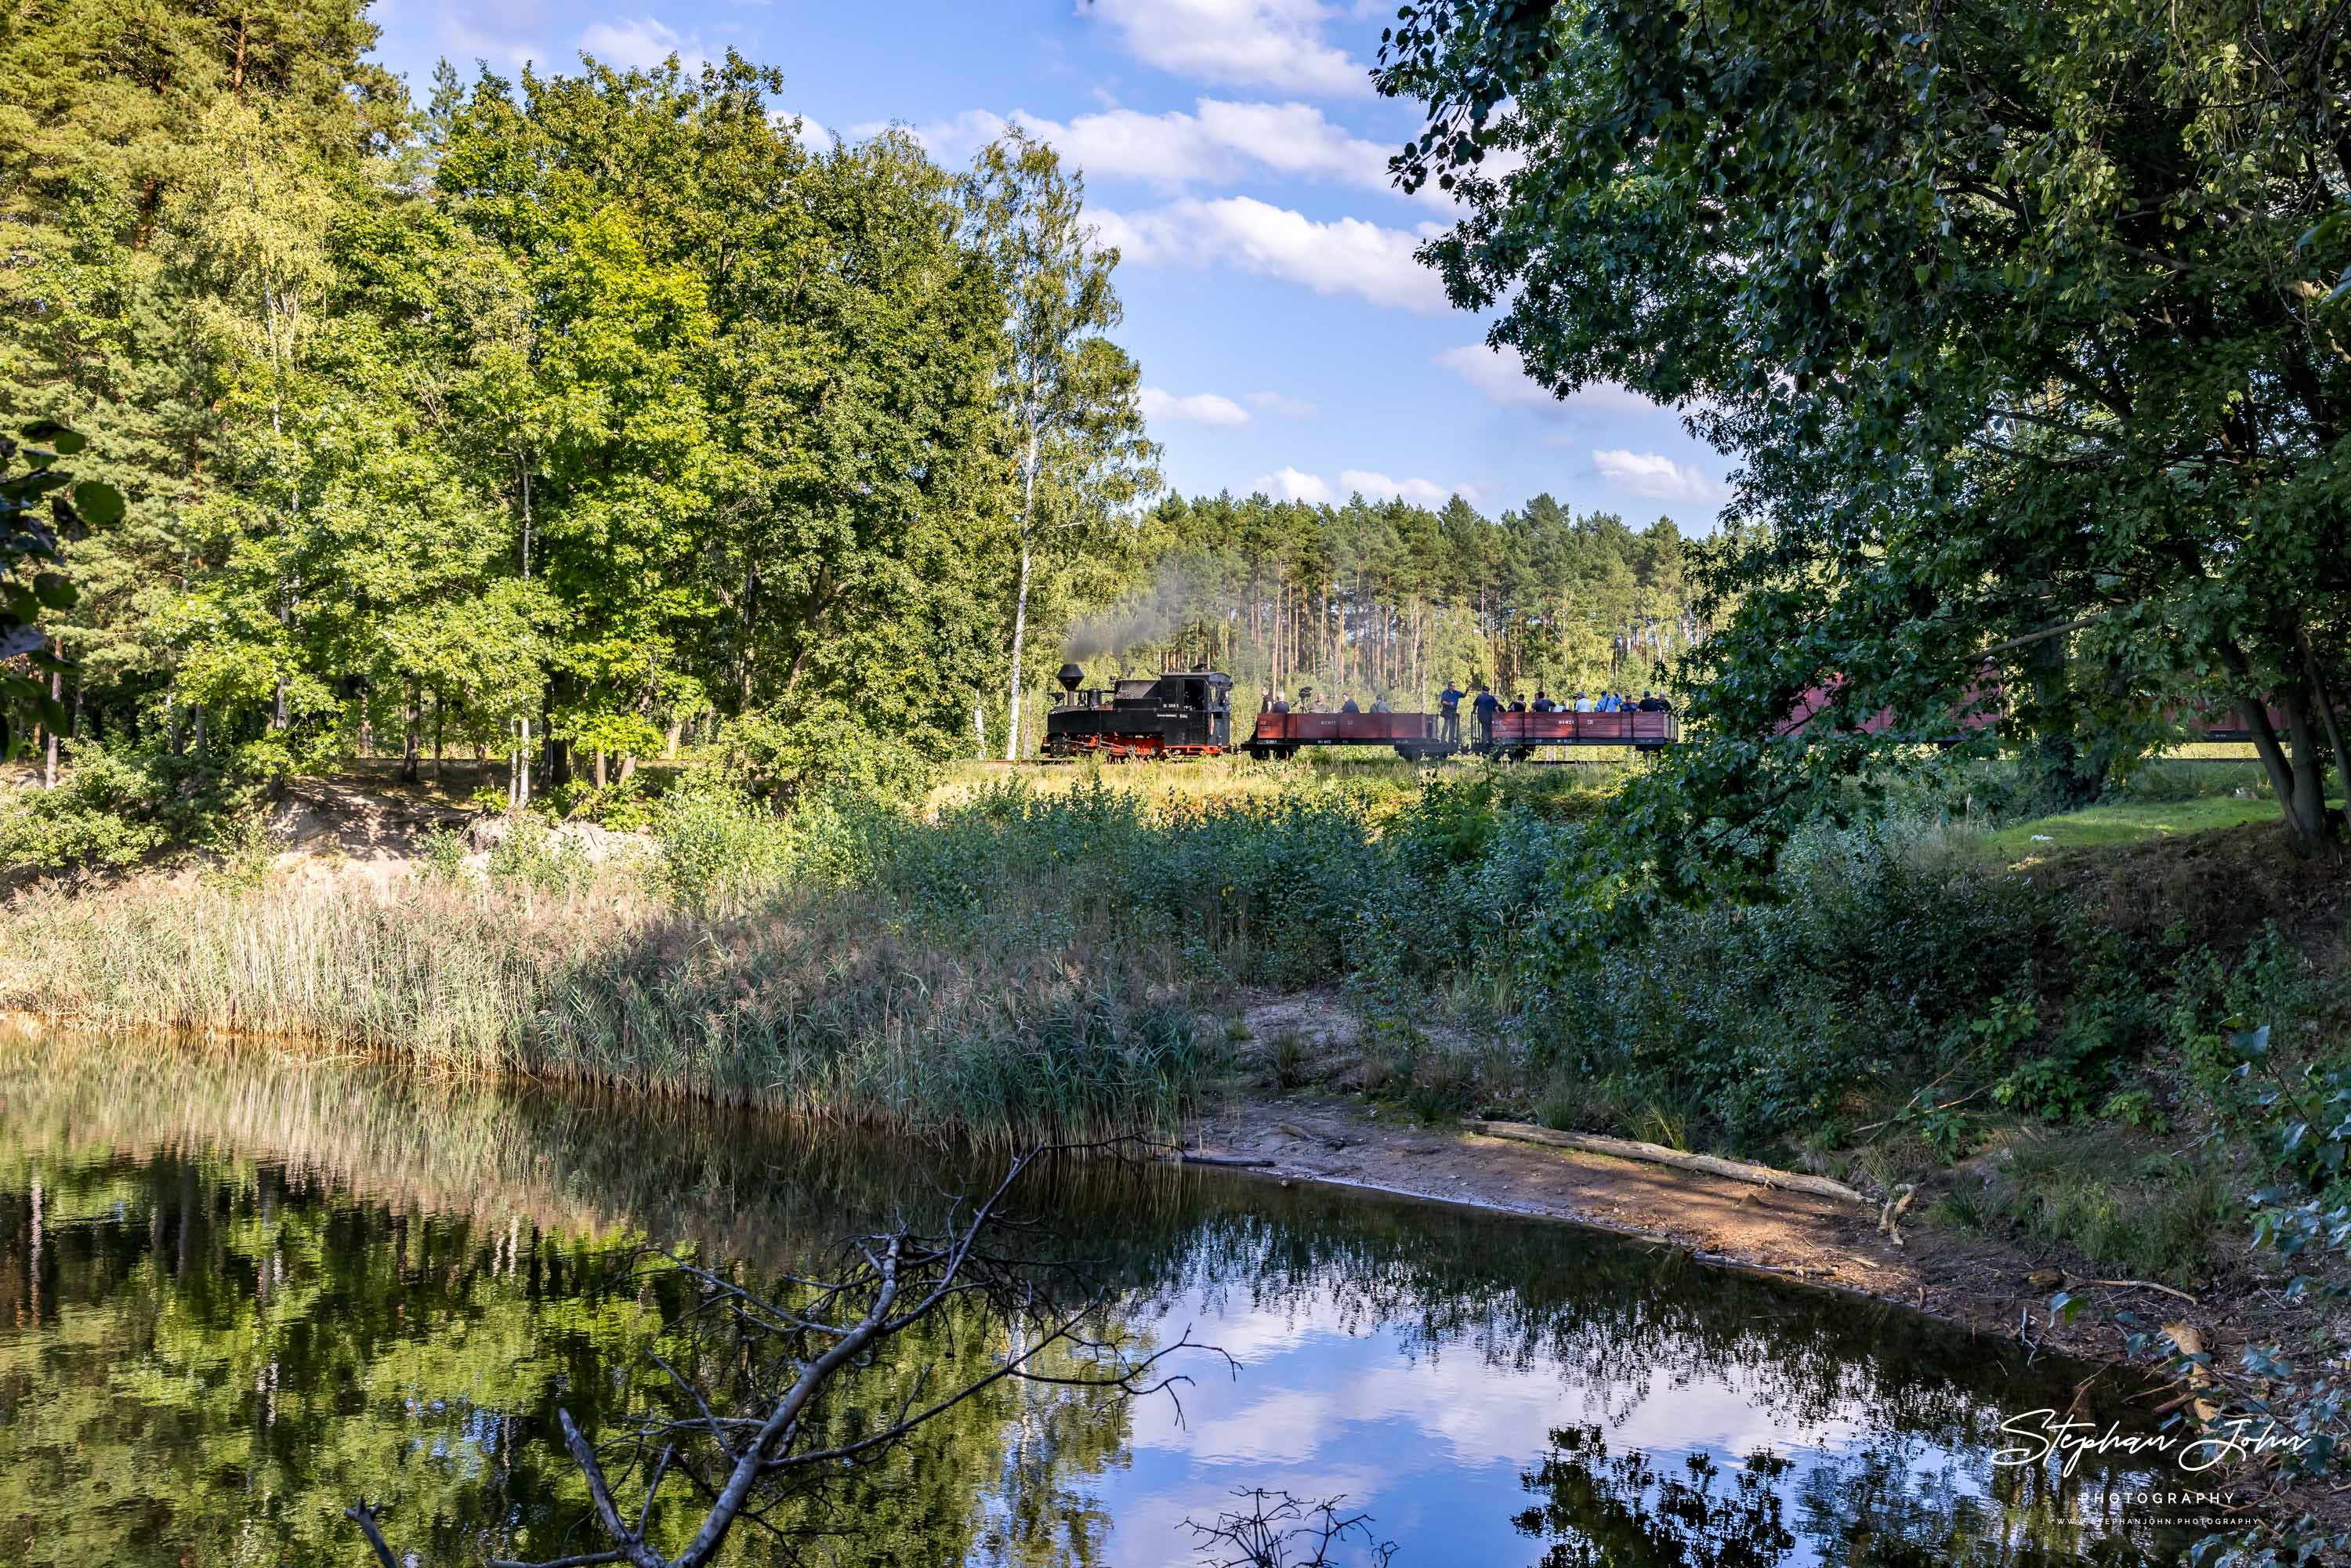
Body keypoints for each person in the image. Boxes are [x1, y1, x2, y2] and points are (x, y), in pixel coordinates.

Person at [1473, 683, 1499, 748]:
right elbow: (1496, 708)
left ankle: (1484, 743)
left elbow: (1475, 706)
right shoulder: (1491, 698)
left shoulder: (1479, 697)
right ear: (1488, 691)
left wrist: (1473, 712)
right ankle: (1490, 742)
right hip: (1490, 716)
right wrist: (1498, 713)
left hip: (1481, 716)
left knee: (1484, 728)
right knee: (1490, 728)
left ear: (1482, 691)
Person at [1438, 679, 1463, 744]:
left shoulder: (1457, 693)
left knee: (1453, 727)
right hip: (1447, 712)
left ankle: (1451, 741)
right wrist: (1449, 704)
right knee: (1446, 726)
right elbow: (1443, 701)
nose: (1454, 687)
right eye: (1453, 686)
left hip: (1454, 712)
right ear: (1449, 686)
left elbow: (1464, 695)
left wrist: (1467, 690)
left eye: (1455, 686)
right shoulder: (1445, 693)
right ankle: (1443, 740)